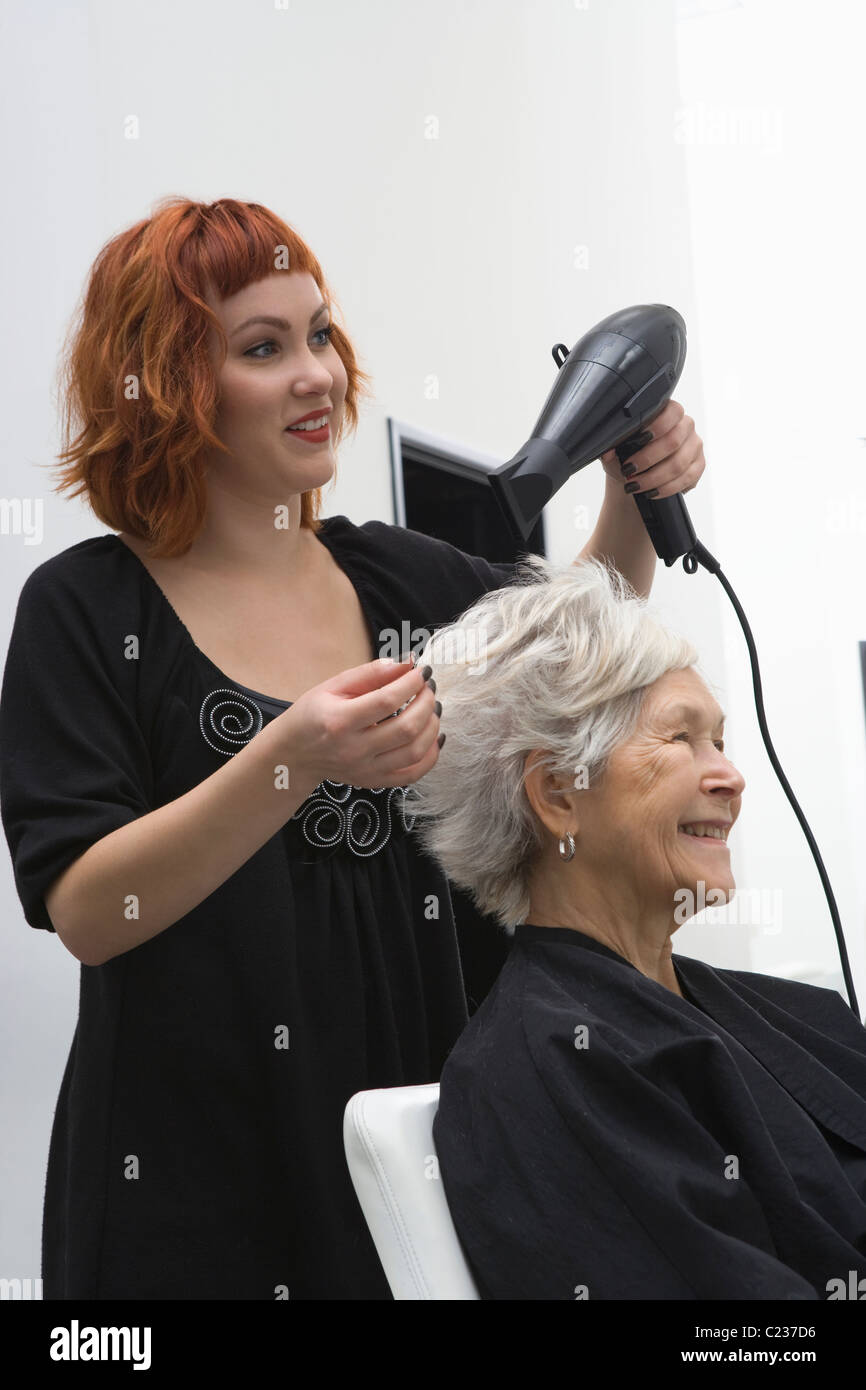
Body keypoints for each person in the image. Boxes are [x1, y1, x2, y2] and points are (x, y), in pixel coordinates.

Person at [0, 196, 707, 1300]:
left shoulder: (399, 579)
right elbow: (91, 910)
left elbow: (582, 640)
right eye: (262, 348)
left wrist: (629, 487)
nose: (316, 374)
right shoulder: (86, 611)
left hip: (415, 1134)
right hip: (192, 1166)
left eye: (320, 333)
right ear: (169, 383)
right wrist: (291, 757)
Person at [407, 555, 866, 1300]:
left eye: (719, 740)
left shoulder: (787, 1013)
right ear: (559, 793)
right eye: (681, 739)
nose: (730, 776)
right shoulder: (549, 1073)